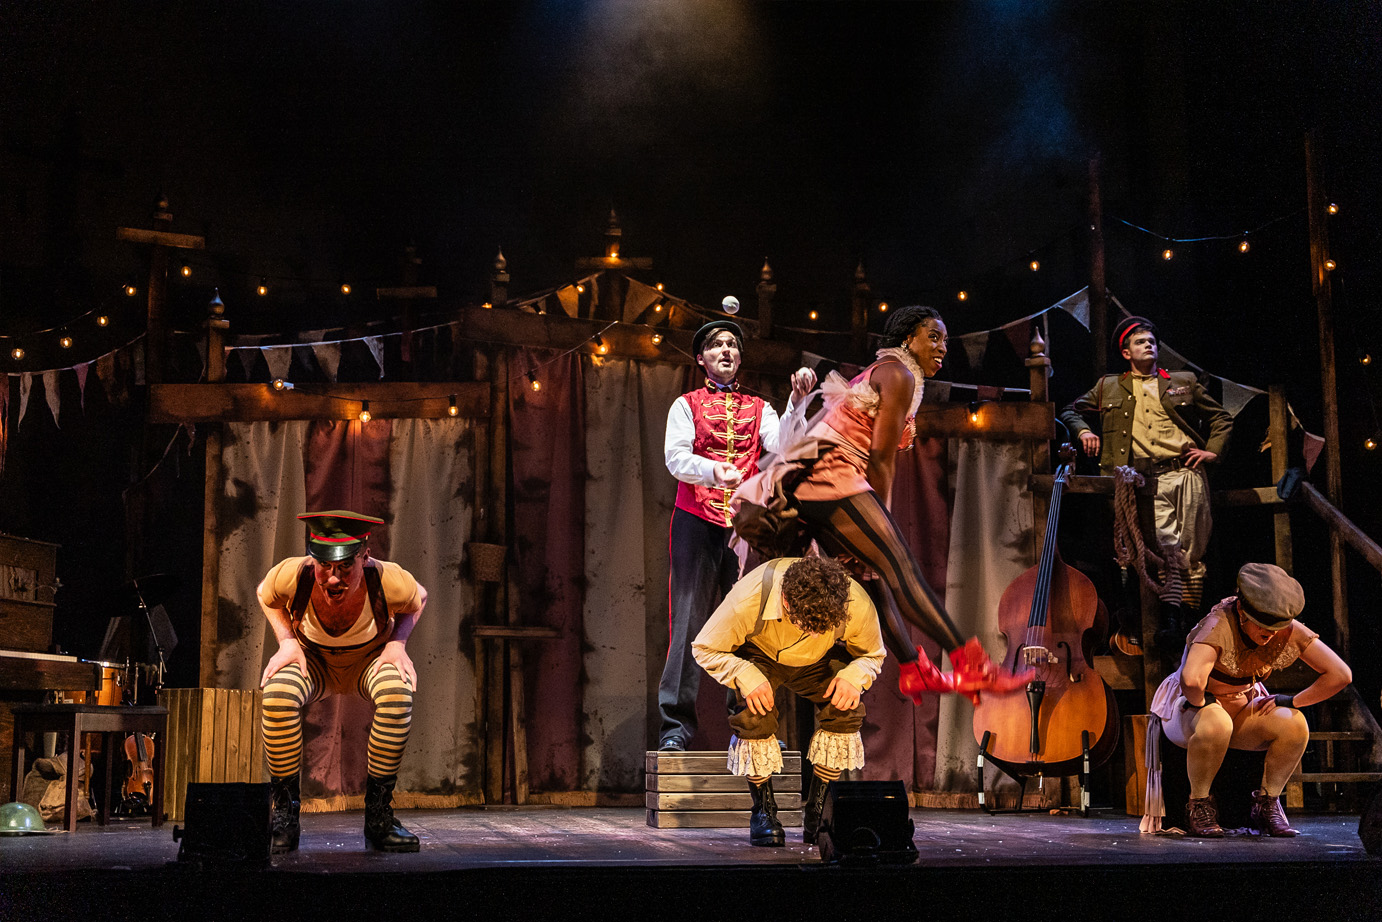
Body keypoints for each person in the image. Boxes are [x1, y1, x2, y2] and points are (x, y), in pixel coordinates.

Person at [753, 305, 1030, 703]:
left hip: (814, 479)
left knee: (874, 578)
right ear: (906, 339)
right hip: (829, 474)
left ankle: (913, 668)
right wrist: (881, 518)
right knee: (900, 567)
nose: (942, 348)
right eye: (932, 337)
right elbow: (881, 457)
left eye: (946, 341)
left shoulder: (893, 374)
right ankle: (973, 666)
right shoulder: (898, 373)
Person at [658, 319, 815, 751]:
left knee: (749, 626)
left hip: (745, 526)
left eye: (732, 345)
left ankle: (751, 727)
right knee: (689, 620)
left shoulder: (759, 407)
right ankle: (675, 729)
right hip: (696, 520)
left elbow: (783, 446)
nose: (725, 350)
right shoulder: (685, 404)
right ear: (702, 358)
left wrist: (797, 404)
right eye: (716, 345)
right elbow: (675, 458)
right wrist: (712, 470)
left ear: (740, 357)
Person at [1058, 315, 1232, 651]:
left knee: (1191, 550)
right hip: (1141, 479)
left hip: (1184, 472)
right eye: (1140, 341)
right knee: (1161, 549)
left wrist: (1212, 451)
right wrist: (1083, 430)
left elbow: (1221, 417)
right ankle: (1170, 621)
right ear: (1126, 353)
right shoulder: (1109, 385)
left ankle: (1185, 620)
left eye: (1151, 340)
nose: (1149, 344)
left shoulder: (1183, 380)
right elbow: (1070, 409)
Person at [258, 510, 428, 853]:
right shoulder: (295, 573)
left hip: (367, 662)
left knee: (397, 694)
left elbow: (419, 598)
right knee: (277, 694)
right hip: (315, 663)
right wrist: (287, 641)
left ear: (364, 555)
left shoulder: (387, 579)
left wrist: (397, 643)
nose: (333, 579)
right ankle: (285, 817)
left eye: (344, 567)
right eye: (325, 566)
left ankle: (379, 817)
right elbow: (265, 593)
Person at [1145, 562, 1351, 837]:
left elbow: (1340, 674)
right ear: (1242, 611)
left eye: (1277, 627)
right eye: (1263, 626)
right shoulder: (1219, 624)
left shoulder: (1286, 628)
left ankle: (1266, 804)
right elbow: (1192, 679)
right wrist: (1202, 703)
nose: (1270, 634)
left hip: (1241, 705)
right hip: (1188, 709)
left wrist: (1293, 702)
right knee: (1217, 722)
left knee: (1294, 724)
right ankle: (1199, 805)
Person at [692, 555, 885, 846]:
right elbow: (704, 648)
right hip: (762, 656)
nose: (808, 633)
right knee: (754, 714)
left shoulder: (852, 601)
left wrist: (854, 675)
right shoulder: (751, 596)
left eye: (818, 628)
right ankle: (764, 810)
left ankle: (818, 810)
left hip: (820, 661)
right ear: (785, 599)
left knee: (846, 709)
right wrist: (744, 673)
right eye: (802, 624)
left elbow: (873, 654)